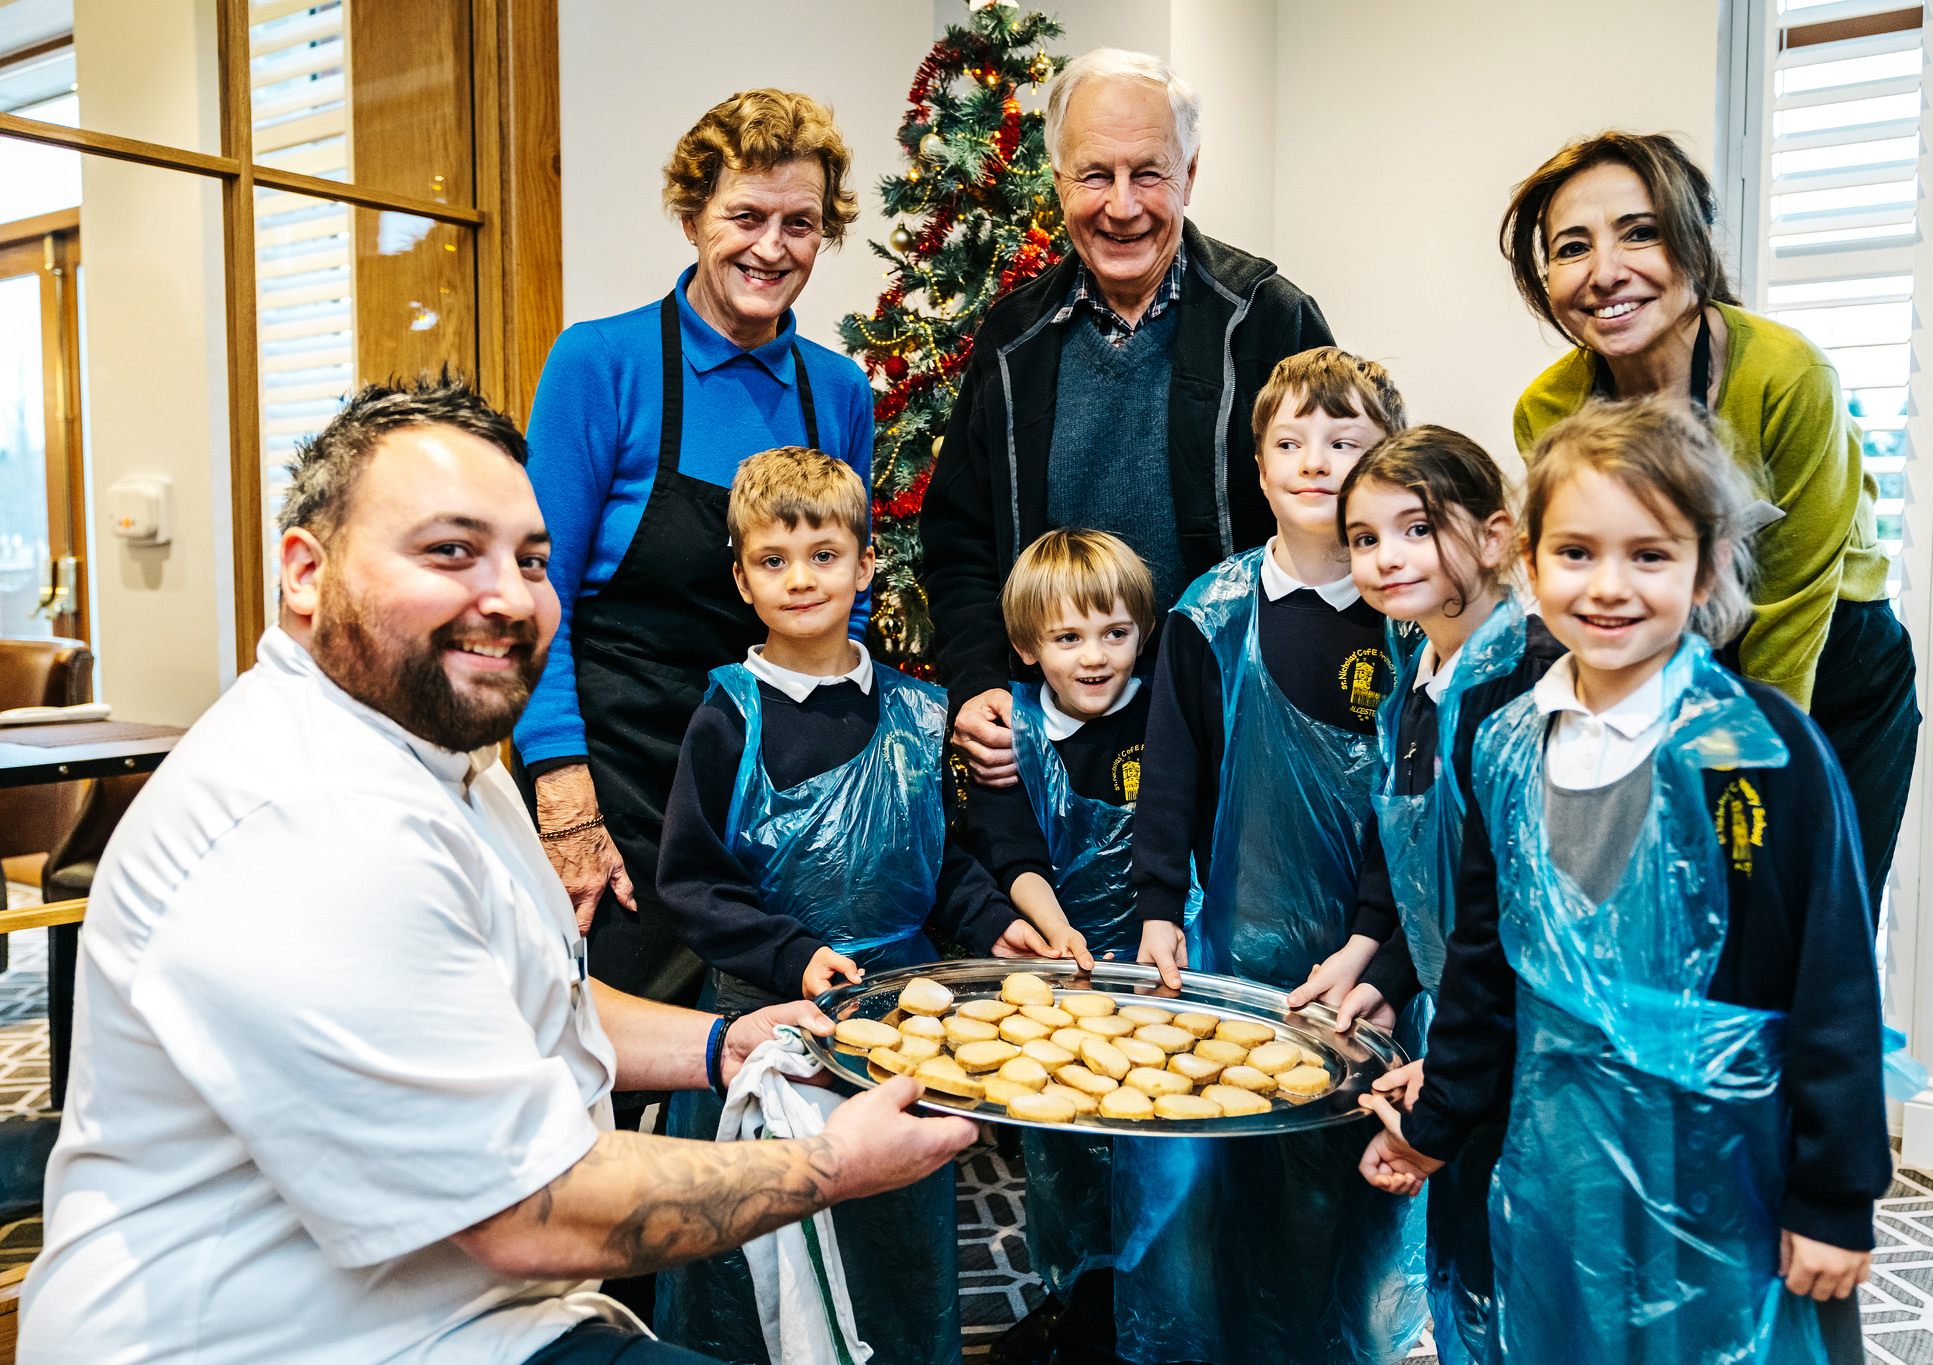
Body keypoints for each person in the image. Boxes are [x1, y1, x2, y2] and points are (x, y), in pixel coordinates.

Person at [20, 379, 975, 1365]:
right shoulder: (308, 817)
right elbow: (528, 1211)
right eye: (448, 551)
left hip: (482, 1311)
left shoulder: (450, 757)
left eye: (530, 561)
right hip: (281, 1338)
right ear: (305, 573)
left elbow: (522, 1000)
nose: (510, 598)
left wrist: (723, 1043)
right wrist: (830, 1164)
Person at [1363, 398, 1891, 1363]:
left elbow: (1833, 981)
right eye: (1575, 553)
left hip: (1726, 1167)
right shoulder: (1508, 742)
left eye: (1649, 554)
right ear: (1527, 559)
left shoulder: (1757, 751)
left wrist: (1833, 1196)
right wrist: (1435, 1124)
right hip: (1562, 1161)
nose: (1609, 586)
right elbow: (1485, 963)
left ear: (1708, 567)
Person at [652, 446, 1050, 1365]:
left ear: (867, 565)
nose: (801, 579)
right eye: (774, 560)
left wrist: (996, 921)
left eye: (825, 554)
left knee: (890, 1255)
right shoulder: (728, 718)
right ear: (743, 577)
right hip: (764, 1032)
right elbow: (691, 884)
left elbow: (940, 860)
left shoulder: (918, 710)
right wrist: (791, 953)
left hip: (898, 1034)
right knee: (754, 1268)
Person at [514, 89, 877, 1040]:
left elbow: (848, 603)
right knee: (611, 1052)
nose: (771, 247)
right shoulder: (602, 364)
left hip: (768, 779)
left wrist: (845, 772)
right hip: (621, 782)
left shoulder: (837, 390)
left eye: (799, 223)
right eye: (744, 217)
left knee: (775, 1051)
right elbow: (532, 596)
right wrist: (562, 793)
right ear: (692, 218)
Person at [1501, 131, 1918, 910]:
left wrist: (1747, 793)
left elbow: (1793, 611)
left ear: (1693, 241)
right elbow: (1582, 590)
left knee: (1800, 917)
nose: (1605, 273)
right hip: (1664, 650)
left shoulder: (1788, 377)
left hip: (1827, 658)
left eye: (1640, 232)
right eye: (1572, 247)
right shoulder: (1547, 408)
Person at [1109, 348, 1426, 1364]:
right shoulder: (1210, 613)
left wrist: (1382, 950)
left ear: (1388, 461)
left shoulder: (1409, 627)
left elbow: (1414, 810)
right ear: (1256, 466)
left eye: (1343, 441)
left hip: (1369, 962)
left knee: (1351, 1184)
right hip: (1233, 955)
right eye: (1288, 441)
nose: (1313, 461)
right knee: (1226, 1185)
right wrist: (1158, 903)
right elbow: (1170, 777)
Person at [921, 48, 1336, 790]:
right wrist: (980, 677)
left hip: (1241, 741)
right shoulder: (1012, 341)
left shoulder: (1271, 320)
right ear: (1057, 183)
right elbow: (959, 539)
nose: (1121, 204)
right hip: (1057, 748)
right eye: (1093, 175)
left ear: (1190, 175)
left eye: (1148, 172)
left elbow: (1346, 517)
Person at [1288, 425, 1563, 1364]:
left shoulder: (1521, 681)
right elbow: (1414, 851)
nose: (1384, 557)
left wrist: (1446, 1097)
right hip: (1463, 1015)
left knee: (1521, 1277)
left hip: (1524, 1026)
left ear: (1493, 537)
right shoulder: (1420, 675)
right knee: (1467, 1272)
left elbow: (1500, 908)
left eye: (1415, 528)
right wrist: (1379, 961)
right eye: (1364, 538)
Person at [965, 528, 1162, 1357]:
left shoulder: (1166, 711)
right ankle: (1078, 1310)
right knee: (1067, 1160)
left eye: (1115, 633)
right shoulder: (1011, 734)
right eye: (1069, 637)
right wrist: (1057, 932)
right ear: (1025, 644)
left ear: (1141, 634)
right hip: (1062, 974)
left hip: (1161, 973)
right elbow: (1011, 850)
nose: (1094, 656)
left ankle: (1157, 1314)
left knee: (1157, 1161)